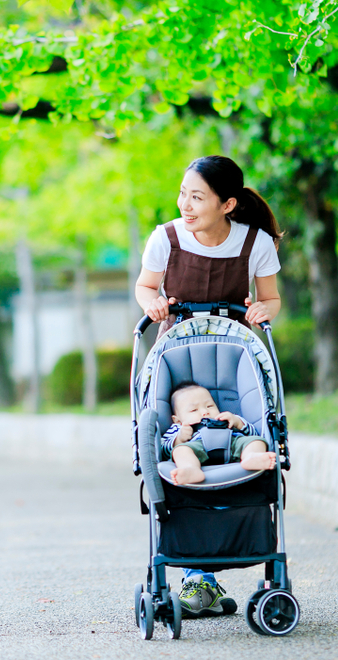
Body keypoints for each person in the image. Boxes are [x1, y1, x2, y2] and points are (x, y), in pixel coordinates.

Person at [135, 154, 283, 618]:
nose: (185, 204)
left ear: (228, 204)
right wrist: (153, 303)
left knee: (233, 437)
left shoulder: (255, 242)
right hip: (179, 355)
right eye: (183, 193)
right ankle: (199, 577)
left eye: (197, 197)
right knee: (188, 446)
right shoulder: (166, 238)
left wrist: (264, 310)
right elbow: (145, 287)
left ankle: (213, 575)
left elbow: (271, 298)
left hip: (232, 355)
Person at [159, 381, 275, 486]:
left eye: (209, 406)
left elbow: (253, 433)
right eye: (194, 410)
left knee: (256, 441)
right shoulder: (179, 428)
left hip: (232, 443)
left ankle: (252, 456)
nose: (205, 412)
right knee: (180, 451)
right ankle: (190, 468)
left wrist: (238, 422)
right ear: (177, 420)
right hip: (197, 447)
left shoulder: (227, 418)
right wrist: (179, 439)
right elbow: (163, 449)